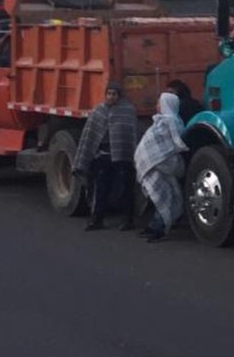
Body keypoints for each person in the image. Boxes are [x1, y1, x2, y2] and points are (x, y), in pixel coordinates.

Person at [73, 81, 138, 231]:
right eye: (108, 94)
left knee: (125, 188)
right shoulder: (99, 111)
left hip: (123, 157)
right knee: (101, 189)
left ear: (119, 96)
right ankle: (96, 220)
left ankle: (128, 219)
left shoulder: (127, 111)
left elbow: (131, 135)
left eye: (114, 94)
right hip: (103, 156)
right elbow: (89, 136)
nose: (111, 97)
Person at [133, 91, 188, 242]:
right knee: (162, 195)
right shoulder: (166, 121)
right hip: (158, 164)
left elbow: (173, 144)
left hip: (160, 163)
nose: (157, 106)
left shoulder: (169, 122)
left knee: (162, 196)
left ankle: (158, 228)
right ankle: (154, 226)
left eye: (160, 103)